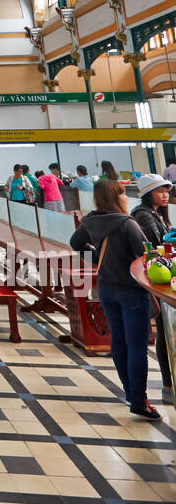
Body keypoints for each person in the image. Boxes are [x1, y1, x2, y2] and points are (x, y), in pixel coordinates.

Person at [70, 179, 161, 420]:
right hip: (131, 290)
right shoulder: (126, 223)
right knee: (137, 345)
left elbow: (75, 243)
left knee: (119, 341)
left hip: (106, 288)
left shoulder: (91, 220)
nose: (125, 198)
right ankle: (140, 401)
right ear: (116, 197)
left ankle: (131, 393)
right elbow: (148, 254)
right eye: (122, 194)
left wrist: (98, 260)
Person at [132, 174, 175, 406]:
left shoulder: (158, 214)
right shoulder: (144, 215)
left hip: (164, 278)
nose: (165, 194)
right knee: (165, 333)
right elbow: (157, 246)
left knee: (167, 332)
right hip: (157, 282)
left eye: (166, 190)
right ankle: (168, 384)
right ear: (148, 194)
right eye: (160, 191)